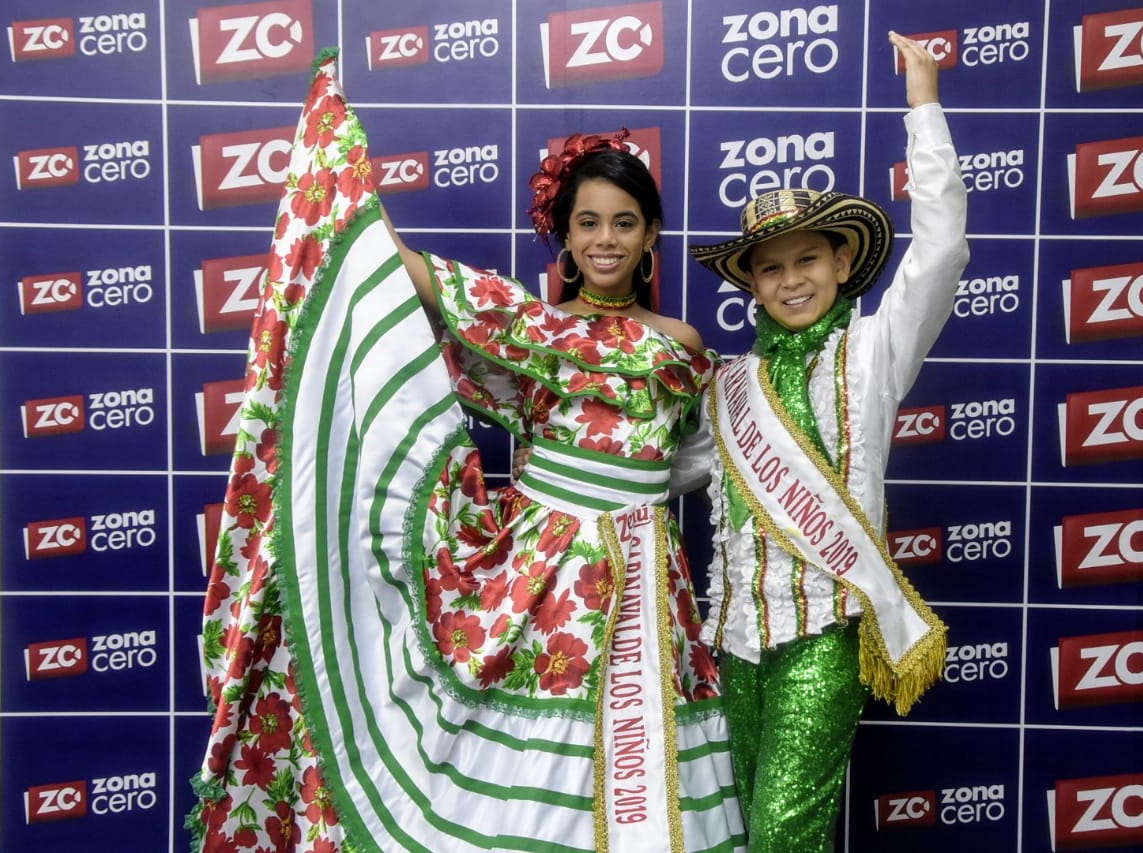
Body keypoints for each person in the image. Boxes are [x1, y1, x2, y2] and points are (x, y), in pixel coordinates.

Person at [188, 50, 745, 852]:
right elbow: (457, 312)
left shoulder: (677, 346)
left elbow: (680, 452)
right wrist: (352, 209)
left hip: (650, 586)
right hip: (542, 581)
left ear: (652, 234)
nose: (606, 238)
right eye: (587, 221)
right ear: (564, 234)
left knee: (647, 785)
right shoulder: (534, 335)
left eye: (625, 222)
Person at [682, 32, 970, 851]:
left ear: (843, 263)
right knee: (743, 830)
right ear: (752, 286)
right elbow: (668, 470)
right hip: (732, 642)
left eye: (808, 258)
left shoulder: (873, 351)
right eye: (770, 269)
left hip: (824, 639)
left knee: (783, 834)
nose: (792, 279)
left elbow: (943, 247)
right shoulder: (727, 385)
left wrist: (923, 97)